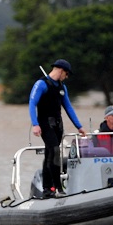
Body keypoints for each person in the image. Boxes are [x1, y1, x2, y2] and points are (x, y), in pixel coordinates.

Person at [29, 58, 86, 197]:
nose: (66, 78)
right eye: (66, 74)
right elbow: (32, 104)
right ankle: (58, 189)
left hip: (58, 125)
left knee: (50, 155)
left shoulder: (62, 87)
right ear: (61, 71)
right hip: (45, 124)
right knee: (55, 152)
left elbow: (68, 107)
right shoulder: (41, 84)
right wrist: (35, 124)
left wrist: (79, 126)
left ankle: (47, 189)